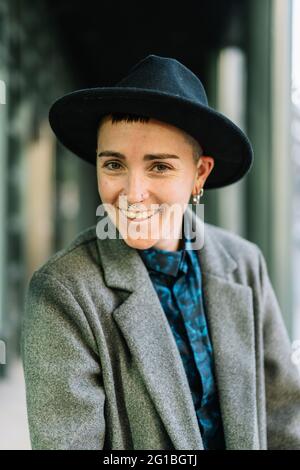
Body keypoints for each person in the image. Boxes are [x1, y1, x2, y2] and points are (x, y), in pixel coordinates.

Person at [21, 54, 300, 450]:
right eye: (114, 164)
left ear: (199, 173)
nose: (133, 194)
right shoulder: (64, 291)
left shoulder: (245, 264)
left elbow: (285, 422)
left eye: (159, 167)